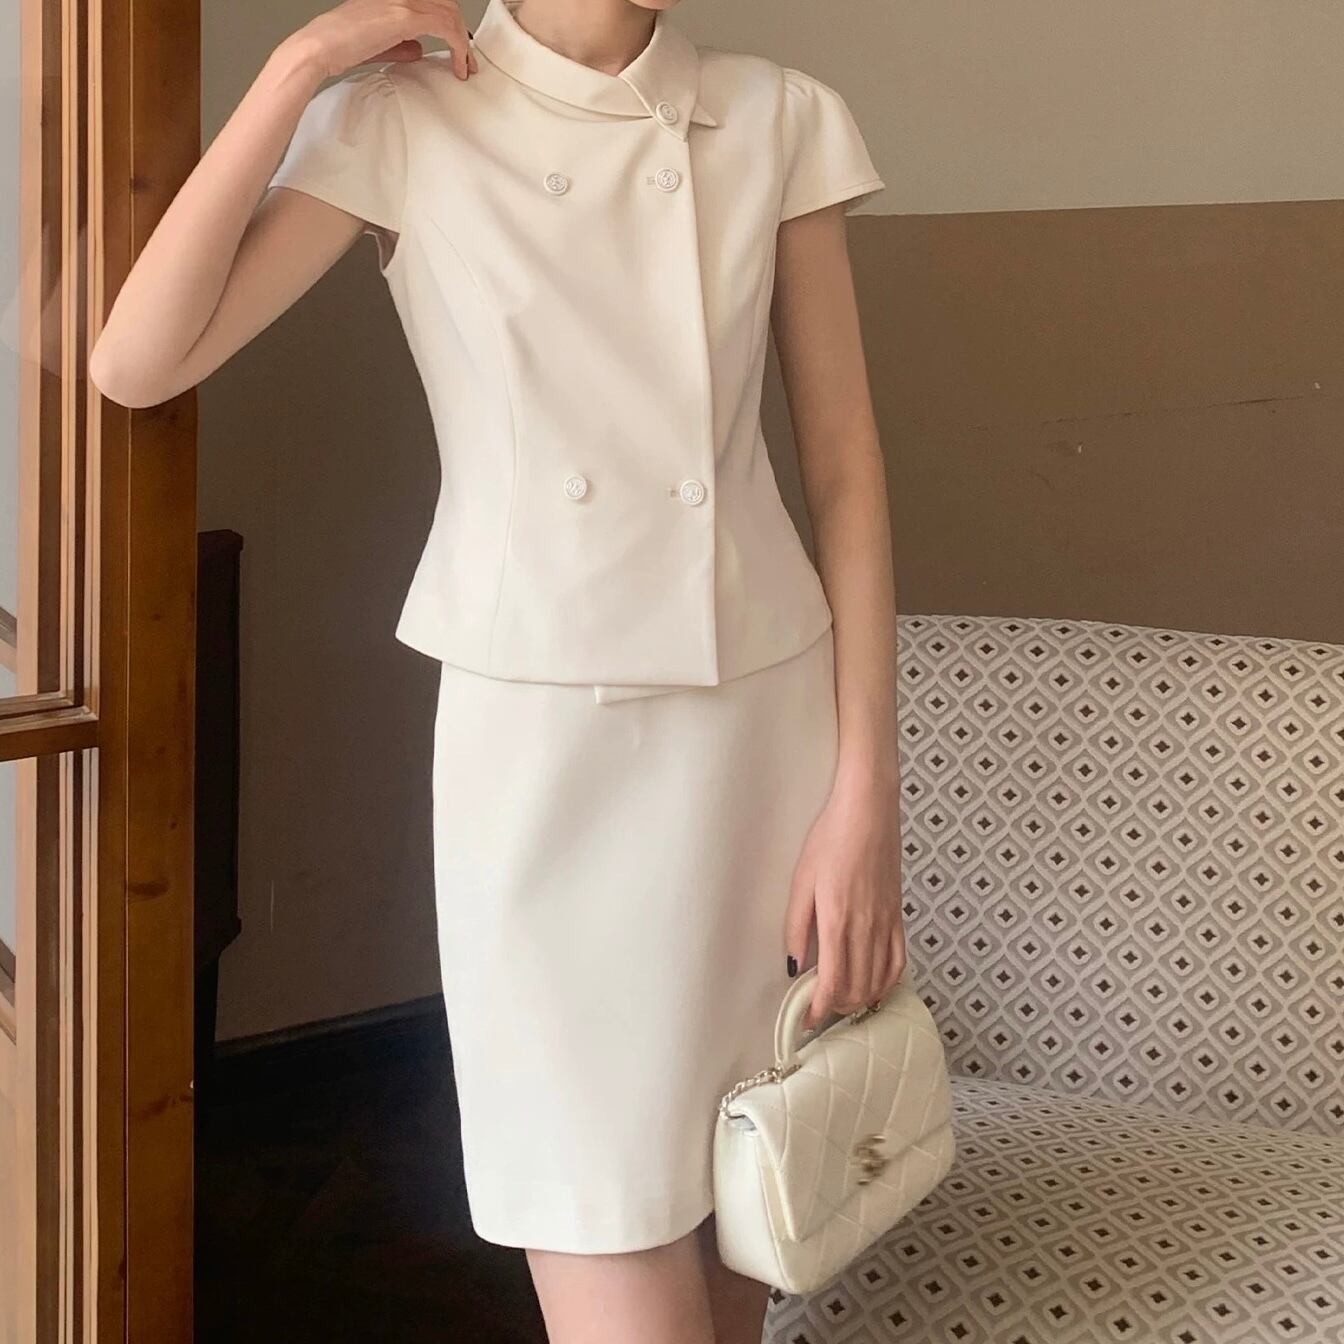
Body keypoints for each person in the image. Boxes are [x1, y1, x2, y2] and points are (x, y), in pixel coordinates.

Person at [89, 1, 906, 1339]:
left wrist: (867, 800)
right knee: (592, 1203)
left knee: (744, 1197)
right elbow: (137, 362)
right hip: (542, 746)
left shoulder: (777, 113)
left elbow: (847, 472)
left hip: (765, 729)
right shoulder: (400, 116)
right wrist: (299, 68)